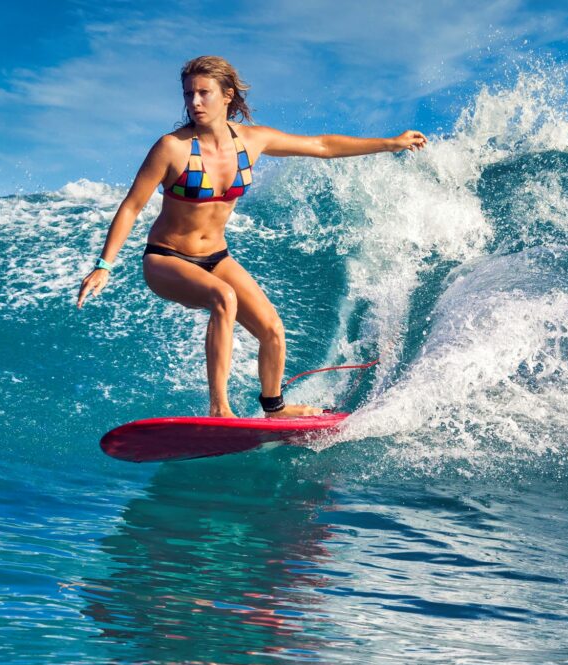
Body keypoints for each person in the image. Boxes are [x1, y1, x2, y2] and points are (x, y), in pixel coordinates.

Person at [77, 56, 426, 418]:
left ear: (227, 95)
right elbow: (132, 206)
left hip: (217, 258)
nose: (194, 102)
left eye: (203, 93)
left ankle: (274, 408)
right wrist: (104, 265)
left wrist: (389, 143)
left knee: (272, 329)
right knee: (223, 297)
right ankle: (219, 408)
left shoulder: (253, 141)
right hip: (166, 259)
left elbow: (322, 146)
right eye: (188, 94)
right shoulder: (172, 148)